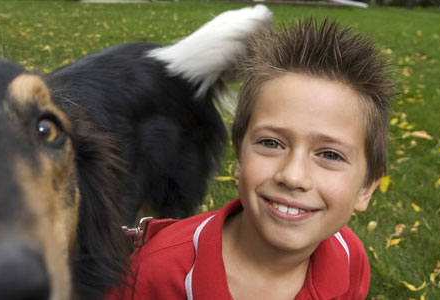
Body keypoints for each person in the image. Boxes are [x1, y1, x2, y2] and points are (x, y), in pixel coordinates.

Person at [108, 17, 394, 300]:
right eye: (271, 143)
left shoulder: (349, 256)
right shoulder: (149, 278)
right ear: (241, 157)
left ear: (367, 187)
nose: (293, 176)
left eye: (330, 154)